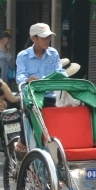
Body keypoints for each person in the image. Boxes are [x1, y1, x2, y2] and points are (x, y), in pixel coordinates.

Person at [14, 23, 66, 153]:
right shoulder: (23, 55)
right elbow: (20, 75)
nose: (47, 40)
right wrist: (26, 79)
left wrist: (63, 77)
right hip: (33, 95)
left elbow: (60, 71)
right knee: (30, 112)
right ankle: (22, 140)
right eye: (43, 38)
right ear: (33, 38)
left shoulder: (53, 53)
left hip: (52, 95)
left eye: (48, 37)